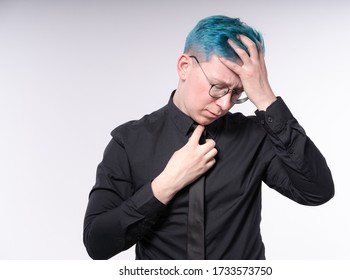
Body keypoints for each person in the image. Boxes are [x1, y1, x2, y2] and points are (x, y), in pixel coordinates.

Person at [83, 15, 334, 260]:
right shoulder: (129, 141)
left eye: (237, 93)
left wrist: (266, 99)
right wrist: (165, 185)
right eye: (218, 86)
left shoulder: (255, 135)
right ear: (184, 67)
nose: (225, 104)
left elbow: (317, 192)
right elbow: (97, 244)